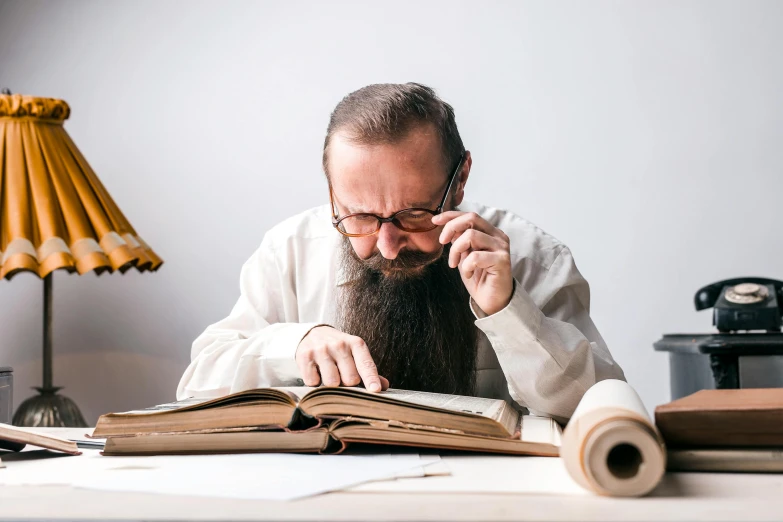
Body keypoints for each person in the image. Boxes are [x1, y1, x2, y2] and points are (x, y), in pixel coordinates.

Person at [177, 82, 625, 421]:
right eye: (359, 216)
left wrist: (510, 311)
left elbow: (601, 408)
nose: (388, 247)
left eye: (412, 214)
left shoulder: (534, 258)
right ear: (332, 190)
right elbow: (196, 385)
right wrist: (294, 344)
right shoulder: (289, 250)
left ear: (461, 177)